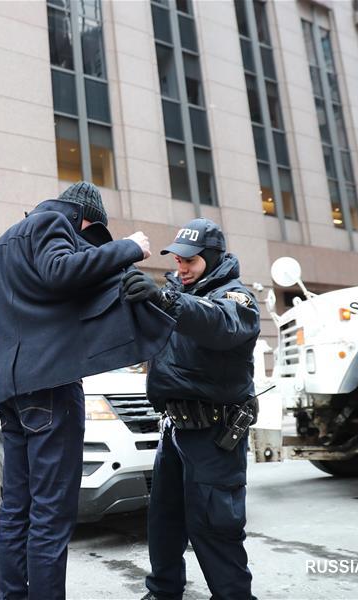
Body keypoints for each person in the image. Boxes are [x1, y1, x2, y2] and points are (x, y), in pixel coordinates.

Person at [0, 181, 174, 600]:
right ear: (83, 217)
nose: (86, 243)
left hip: (11, 392)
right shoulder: (50, 224)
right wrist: (130, 247)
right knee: (50, 514)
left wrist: (24, 316)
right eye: (89, 235)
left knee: (16, 512)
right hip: (51, 389)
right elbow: (61, 270)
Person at [121, 218, 260, 600]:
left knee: (216, 528)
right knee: (164, 523)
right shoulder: (174, 295)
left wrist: (166, 300)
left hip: (215, 436)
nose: (181, 268)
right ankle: (163, 592)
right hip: (174, 431)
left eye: (191, 261)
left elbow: (218, 322)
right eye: (177, 260)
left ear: (212, 259)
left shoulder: (237, 298)